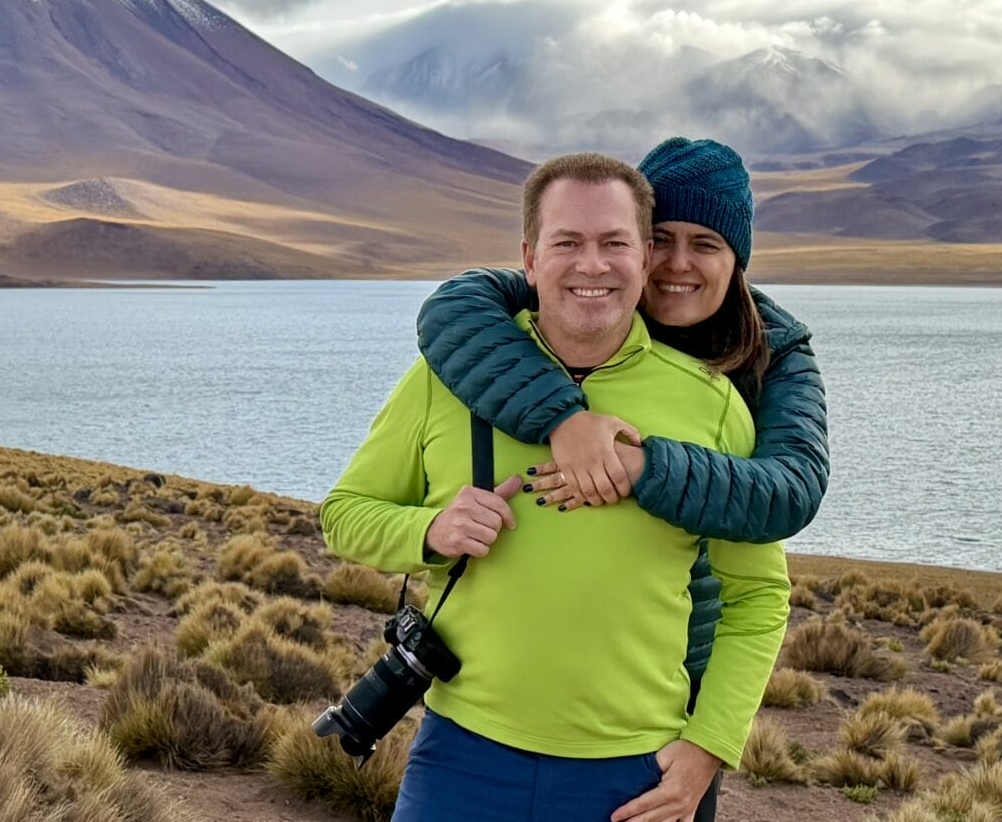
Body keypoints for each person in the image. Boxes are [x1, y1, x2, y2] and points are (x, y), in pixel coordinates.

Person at [322, 152, 791, 822]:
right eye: (567, 242)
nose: (592, 265)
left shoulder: (712, 405)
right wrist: (425, 530)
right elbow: (344, 515)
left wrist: (706, 751)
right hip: (461, 758)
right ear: (531, 259)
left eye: (614, 244)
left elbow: (758, 598)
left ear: (644, 259)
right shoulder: (443, 379)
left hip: (634, 774)